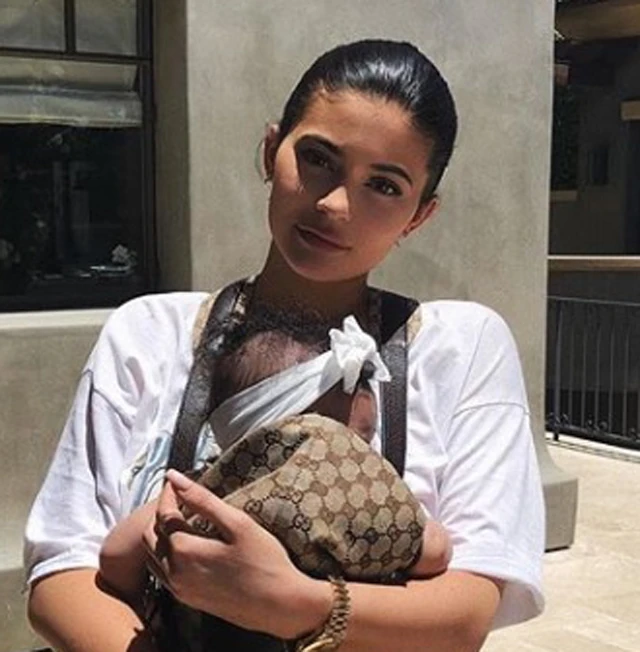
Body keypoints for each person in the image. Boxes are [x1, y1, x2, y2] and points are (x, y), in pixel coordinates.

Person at [24, 39, 545, 652]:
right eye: (318, 158)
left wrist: (290, 602)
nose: (334, 203)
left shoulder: (460, 349)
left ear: (419, 216)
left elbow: (465, 614)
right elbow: (62, 575)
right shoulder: (149, 335)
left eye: (384, 185)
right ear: (272, 150)